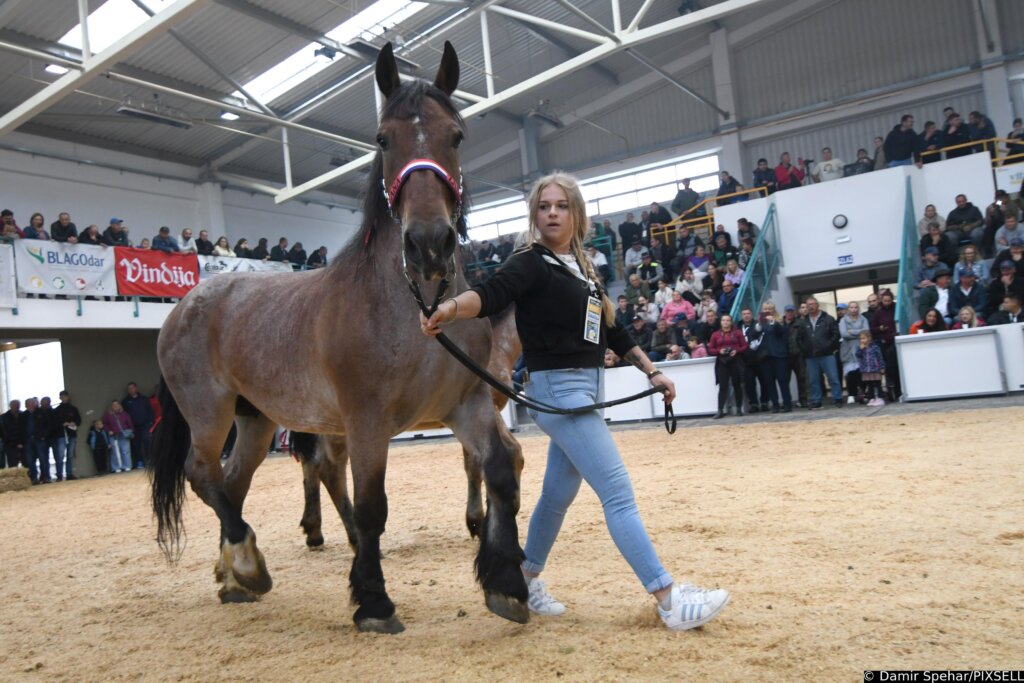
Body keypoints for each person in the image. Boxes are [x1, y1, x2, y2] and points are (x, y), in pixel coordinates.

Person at [421, 171, 728, 631]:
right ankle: (668, 599)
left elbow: (613, 329)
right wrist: (449, 309)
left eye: (560, 206)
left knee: (557, 495)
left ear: (576, 213)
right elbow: (490, 294)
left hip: (585, 388)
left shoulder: (583, 268)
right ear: (535, 213)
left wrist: (653, 370)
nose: (551, 213)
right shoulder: (530, 261)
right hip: (560, 392)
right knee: (618, 493)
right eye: (544, 206)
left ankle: (524, 578)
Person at [799, 296, 842, 409]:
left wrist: (828, 346)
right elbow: (799, 338)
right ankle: (816, 400)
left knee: (833, 378)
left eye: (812, 304)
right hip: (811, 356)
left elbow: (836, 335)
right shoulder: (803, 322)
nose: (810, 307)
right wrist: (805, 349)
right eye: (808, 305)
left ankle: (837, 398)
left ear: (817, 305)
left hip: (827, 354)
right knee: (813, 380)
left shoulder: (828, 319)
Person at [708, 313, 747, 419]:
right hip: (722, 362)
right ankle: (720, 410)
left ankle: (739, 408)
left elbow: (744, 346)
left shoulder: (737, 333)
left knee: (737, 385)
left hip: (735, 360)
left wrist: (736, 351)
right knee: (723, 387)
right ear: (720, 322)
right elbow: (711, 349)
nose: (725, 322)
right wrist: (719, 351)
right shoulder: (715, 334)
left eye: (728, 320)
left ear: (731, 322)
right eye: (723, 320)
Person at [758, 301, 791, 413]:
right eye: (765, 309)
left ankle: (787, 404)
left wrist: (773, 323)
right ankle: (775, 405)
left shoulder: (780, 321)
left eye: (769, 309)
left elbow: (782, 332)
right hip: (766, 357)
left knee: (782, 380)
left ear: (773, 310)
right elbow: (756, 335)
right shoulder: (761, 323)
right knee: (769, 381)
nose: (767, 311)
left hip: (779, 355)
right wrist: (757, 327)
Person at [869, 289, 900, 401]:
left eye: (889, 300)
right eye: (885, 301)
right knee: (888, 368)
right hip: (884, 343)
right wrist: (880, 328)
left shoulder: (896, 309)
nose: (887, 303)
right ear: (881, 301)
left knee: (896, 367)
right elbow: (872, 329)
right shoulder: (878, 312)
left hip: (895, 341)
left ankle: (899, 391)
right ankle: (891, 393)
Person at [838, 302, 869, 404]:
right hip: (847, 350)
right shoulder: (843, 320)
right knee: (850, 374)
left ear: (858, 309)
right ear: (848, 309)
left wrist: (853, 331)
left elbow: (866, 332)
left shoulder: (863, 319)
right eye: (851, 307)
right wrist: (859, 332)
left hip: (862, 348)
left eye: (856, 307)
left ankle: (862, 393)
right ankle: (851, 394)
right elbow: (844, 334)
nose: (854, 309)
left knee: (862, 373)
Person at [738, 307, 765, 413]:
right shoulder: (738, 326)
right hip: (746, 359)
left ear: (752, 315)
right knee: (749, 382)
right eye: (744, 314)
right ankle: (753, 403)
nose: (746, 315)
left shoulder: (757, 325)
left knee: (764, 381)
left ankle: (764, 402)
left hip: (760, 358)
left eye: (748, 313)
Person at [122, 382, 153, 470]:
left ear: (136, 388)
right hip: (134, 426)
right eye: (129, 389)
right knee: (136, 444)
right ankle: (139, 461)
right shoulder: (125, 401)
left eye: (132, 388)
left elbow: (149, 410)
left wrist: (150, 422)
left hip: (145, 424)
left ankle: (149, 460)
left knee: (147, 440)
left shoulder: (144, 399)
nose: (131, 390)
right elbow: (125, 415)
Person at [783, 304, 809, 408]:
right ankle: (787, 401)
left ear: (794, 312)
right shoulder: (780, 324)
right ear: (785, 312)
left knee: (802, 378)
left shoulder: (800, 323)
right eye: (788, 311)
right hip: (785, 355)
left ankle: (803, 400)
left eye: (791, 311)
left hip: (798, 354)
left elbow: (805, 338)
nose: (789, 313)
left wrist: (803, 349)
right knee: (785, 379)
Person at [53, 390, 81, 481]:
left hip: (72, 434)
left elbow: (79, 421)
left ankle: (69, 473)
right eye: (62, 396)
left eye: (65, 396)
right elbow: (54, 423)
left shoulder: (74, 409)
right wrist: (63, 424)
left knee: (70, 455)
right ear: (60, 398)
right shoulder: (57, 410)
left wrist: (73, 423)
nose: (64, 398)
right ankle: (59, 475)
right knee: (60, 455)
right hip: (61, 435)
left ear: (68, 397)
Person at [855, 331, 886, 406]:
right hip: (866, 370)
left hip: (875, 369)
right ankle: (871, 398)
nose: (862, 340)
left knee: (877, 384)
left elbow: (880, 357)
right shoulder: (860, 347)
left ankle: (880, 398)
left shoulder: (875, 347)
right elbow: (858, 355)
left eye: (864, 338)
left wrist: (882, 367)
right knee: (869, 385)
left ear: (869, 338)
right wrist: (860, 349)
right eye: (861, 339)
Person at [102, 401, 134, 473]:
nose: (116, 406)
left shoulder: (125, 414)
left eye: (117, 404)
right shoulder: (107, 415)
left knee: (125, 451)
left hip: (124, 434)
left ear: (120, 406)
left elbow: (130, 424)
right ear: (111, 407)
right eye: (114, 405)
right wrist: (108, 431)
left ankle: (127, 466)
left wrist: (131, 432)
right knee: (115, 452)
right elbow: (105, 424)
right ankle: (116, 467)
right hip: (114, 435)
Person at [1, 400, 25, 468]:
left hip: (23, 443)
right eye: (14, 405)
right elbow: (4, 432)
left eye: (17, 405)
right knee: (12, 463)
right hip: (10, 444)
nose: (16, 407)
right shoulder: (4, 417)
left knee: (26, 462)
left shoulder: (23, 415)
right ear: (10, 406)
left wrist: (21, 442)